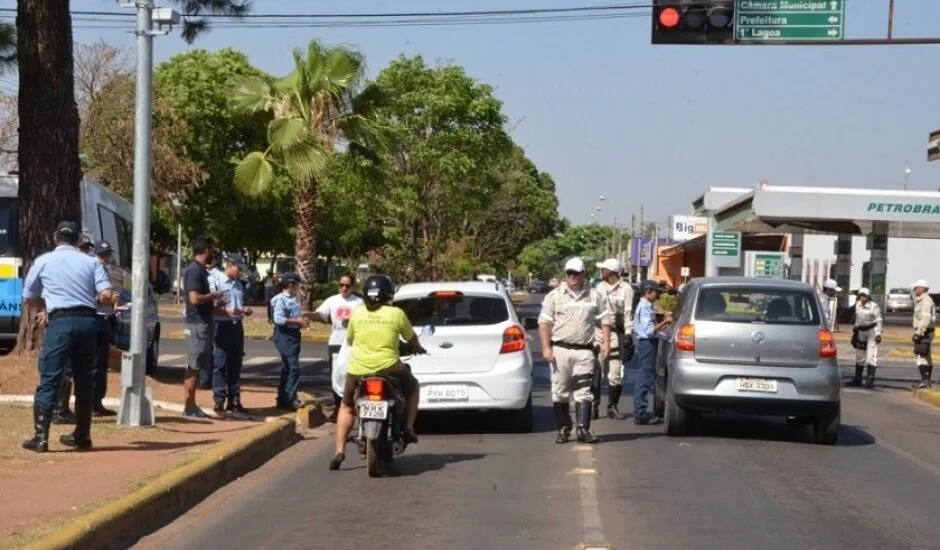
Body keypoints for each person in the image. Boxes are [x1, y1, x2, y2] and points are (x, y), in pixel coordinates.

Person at [21, 221, 115, 453]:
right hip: (88, 323)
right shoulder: (92, 261)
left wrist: (46, 307)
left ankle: (41, 437)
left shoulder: (43, 261)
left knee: (51, 376)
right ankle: (83, 436)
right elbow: (106, 295)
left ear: (55, 238)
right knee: (85, 379)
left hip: (60, 322)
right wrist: (88, 300)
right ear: (77, 240)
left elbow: (28, 297)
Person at [329, 274, 425, 471]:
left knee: (346, 406)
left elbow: (350, 341)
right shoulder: (396, 314)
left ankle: (339, 451)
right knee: (413, 387)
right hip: (390, 368)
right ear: (389, 294)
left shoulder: (357, 314)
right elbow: (412, 339)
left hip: (358, 370)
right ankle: (408, 428)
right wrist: (417, 347)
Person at [539, 257, 612, 444]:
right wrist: (546, 347)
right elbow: (544, 322)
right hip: (560, 350)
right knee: (560, 391)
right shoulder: (554, 296)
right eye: (569, 273)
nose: (572, 277)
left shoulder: (595, 296)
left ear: (583, 275)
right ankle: (564, 428)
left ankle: (582, 429)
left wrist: (605, 344)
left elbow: (604, 320)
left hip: (585, 351)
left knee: (584, 391)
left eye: (576, 273)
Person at [182, 236, 224, 419]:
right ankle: (188, 407)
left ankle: (192, 405)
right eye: (212, 250)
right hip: (197, 325)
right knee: (194, 365)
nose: (213, 253)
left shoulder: (200, 270)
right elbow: (194, 299)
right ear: (206, 250)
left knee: (197, 366)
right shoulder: (194, 271)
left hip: (203, 322)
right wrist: (212, 295)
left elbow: (202, 301)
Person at [313, 272, 364, 420]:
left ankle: (353, 405)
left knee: (353, 375)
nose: (344, 288)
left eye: (347, 286)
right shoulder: (332, 300)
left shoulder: (359, 303)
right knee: (336, 376)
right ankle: (338, 407)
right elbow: (320, 315)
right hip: (336, 343)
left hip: (353, 344)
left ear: (353, 287)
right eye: (341, 285)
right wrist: (307, 315)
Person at [591, 258, 633, 420]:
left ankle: (612, 406)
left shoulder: (626, 289)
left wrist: (628, 334)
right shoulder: (599, 288)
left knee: (615, 373)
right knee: (596, 369)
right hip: (598, 331)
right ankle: (594, 405)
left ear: (612, 272)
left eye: (604, 269)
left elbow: (628, 314)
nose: (601, 272)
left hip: (616, 333)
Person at [210, 260, 252, 416]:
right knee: (220, 363)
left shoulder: (239, 285)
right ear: (229, 266)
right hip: (222, 325)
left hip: (236, 325)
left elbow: (237, 306)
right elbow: (212, 308)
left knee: (236, 363)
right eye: (238, 269)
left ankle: (234, 401)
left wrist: (243, 310)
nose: (240, 272)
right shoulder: (217, 282)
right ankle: (219, 399)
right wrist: (228, 311)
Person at [632, 280, 671, 425]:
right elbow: (649, 330)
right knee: (645, 377)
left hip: (649, 343)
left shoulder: (647, 306)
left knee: (647, 376)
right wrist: (666, 321)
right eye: (656, 292)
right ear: (648, 292)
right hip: (647, 344)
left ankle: (641, 411)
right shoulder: (644, 307)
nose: (657, 295)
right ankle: (640, 413)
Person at [270, 272, 309, 410]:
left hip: (293, 334)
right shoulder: (280, 299)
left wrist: (302, 320)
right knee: (293, 368)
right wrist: (297, 321)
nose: (298, 287)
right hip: (284, 334)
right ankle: (290, 398)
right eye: (297, 284)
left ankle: (283, 399)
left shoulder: (294, 298)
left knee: (287, 368)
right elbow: (279, 319)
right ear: (291, 284)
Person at [91, 240, 119, 415]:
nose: (104, 258)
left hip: (106, 318)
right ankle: (91, 402)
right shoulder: (91, 269)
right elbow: (92, 297)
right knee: (94, 364)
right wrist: (108, 299)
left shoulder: (106, 272)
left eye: (107, 255)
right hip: (95, 318)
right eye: (101, 255)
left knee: (102, 364)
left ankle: (97, 402)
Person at [848, 287, 882, 388]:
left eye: (864, 295)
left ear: (868, 296)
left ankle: (870, 380)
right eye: (860, 295)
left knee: (871, 356)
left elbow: (879, 320)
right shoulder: (857, 305)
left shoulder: (874, 306)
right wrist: (855, 332)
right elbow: (856, 319)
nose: (862, 297)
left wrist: (878, 334)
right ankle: (857, 379)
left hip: (871, 331)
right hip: (860, 332)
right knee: (859, 356)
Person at [912, 280, 936, 389]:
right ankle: (927, 380)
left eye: (916, 287)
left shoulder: (926, 301)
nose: (914, 289)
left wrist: (918, 332)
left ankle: (925, 380)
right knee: (926, 356)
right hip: (925, 331)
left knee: (921, 355)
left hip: (924, 332)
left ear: (922, 288)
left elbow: (926, 319)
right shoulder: (921, 300)